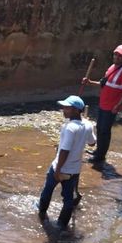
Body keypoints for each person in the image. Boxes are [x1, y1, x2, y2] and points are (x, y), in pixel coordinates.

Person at [38, 95, 96, 230]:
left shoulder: (69, 127)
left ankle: (41, 213)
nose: (63, 110)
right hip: (74, 170)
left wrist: (58, 170)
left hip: (60, 167)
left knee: (48, 190)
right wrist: (87, 129)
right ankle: (61, 226)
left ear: (76, 110)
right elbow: (92, 143)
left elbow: (64, 151)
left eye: (67, 108)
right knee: (68, 199)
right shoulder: (87, 125)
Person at [82, 44, 122, 164]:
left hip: (111, 107)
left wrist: (118, 105)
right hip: (103, 103)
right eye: (116, 54)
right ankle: (98, 151)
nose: (117, 57)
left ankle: (100, 156)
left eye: (120, 55)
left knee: (105, 131)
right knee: (100, 128)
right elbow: (103, 84)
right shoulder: (111, 68)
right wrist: (89, 82)